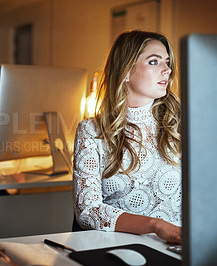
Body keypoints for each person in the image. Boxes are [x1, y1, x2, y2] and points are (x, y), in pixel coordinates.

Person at [73, 30, 182, 244]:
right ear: (126, 71)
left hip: (178, 247)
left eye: (167, 63)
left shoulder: (179, 126)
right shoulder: (91, 131)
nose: (167, 70)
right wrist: (155, 225)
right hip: (117, 247)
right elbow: (87, 210)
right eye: (154, 62)